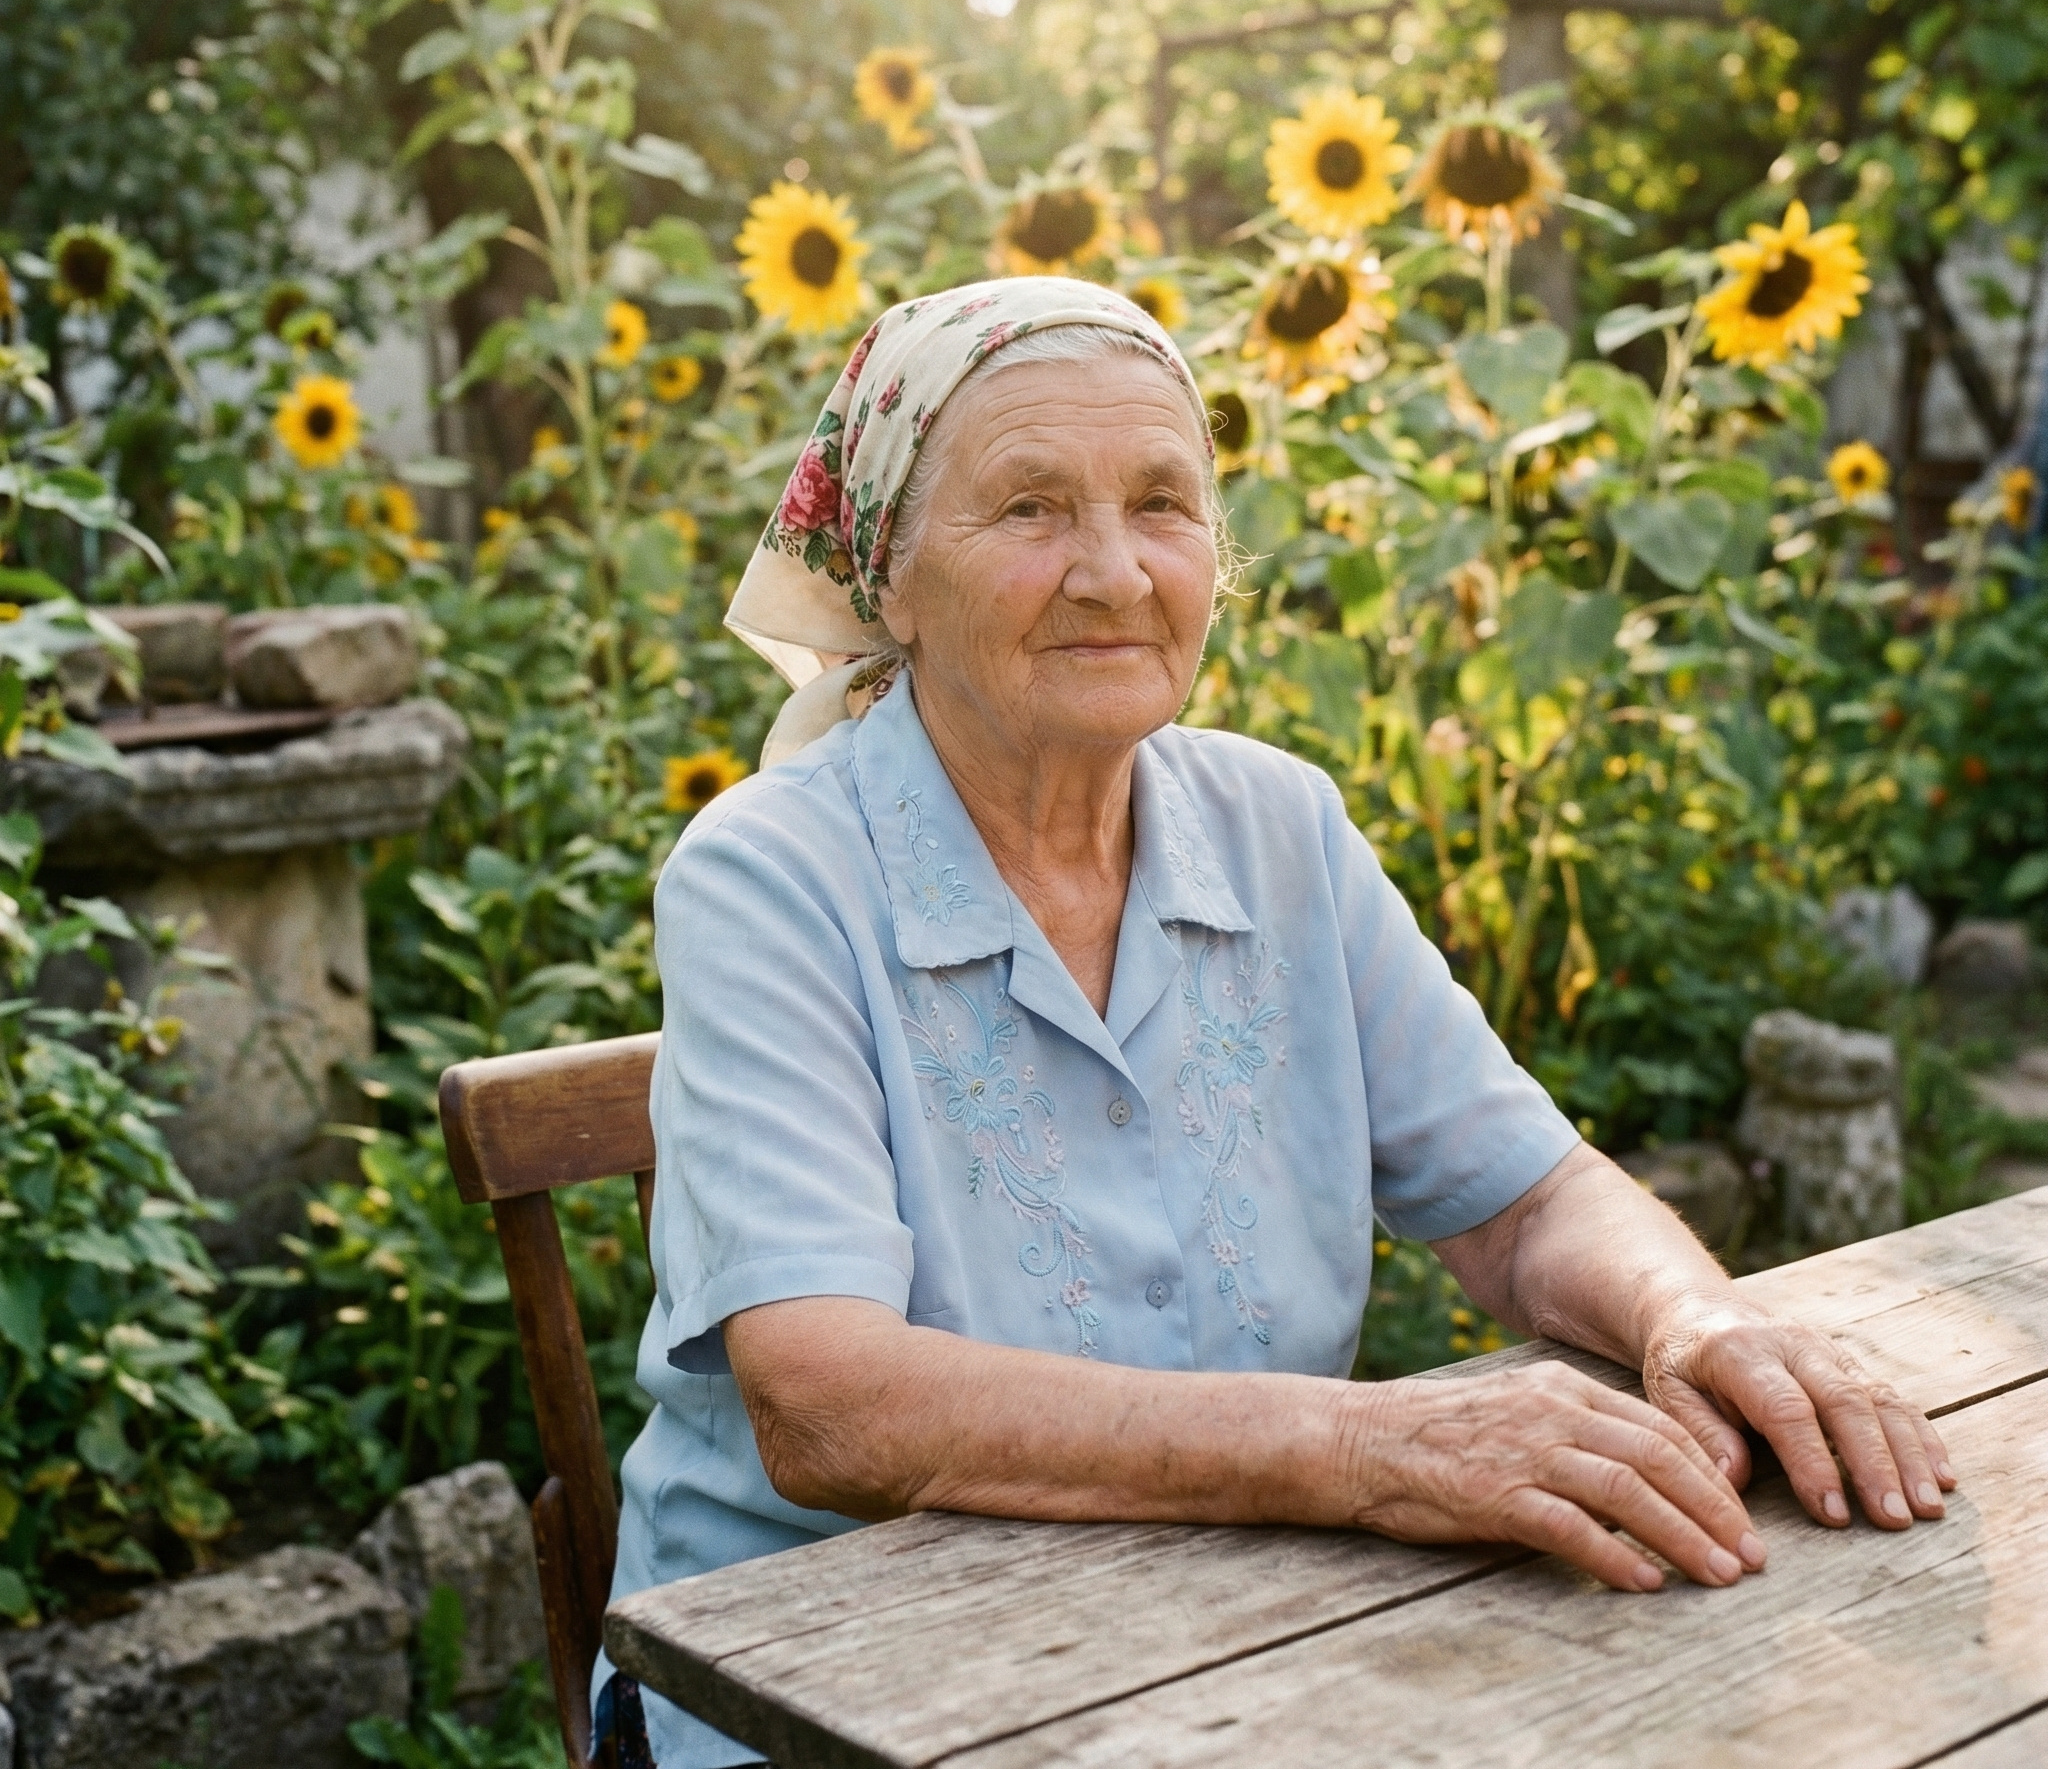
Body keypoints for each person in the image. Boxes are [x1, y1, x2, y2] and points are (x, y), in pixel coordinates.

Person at [597, 277, 1954, 1768]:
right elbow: (834, 1410)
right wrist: (1372, 1451)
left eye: (1164, 505)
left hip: (1231, 1634)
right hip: (815, 1686)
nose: (1114, 572)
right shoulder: (773, 874)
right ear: (889, 579)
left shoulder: (1276, 824)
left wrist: (1693, 1314)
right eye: (1032, 508)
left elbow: (1526, 1200)